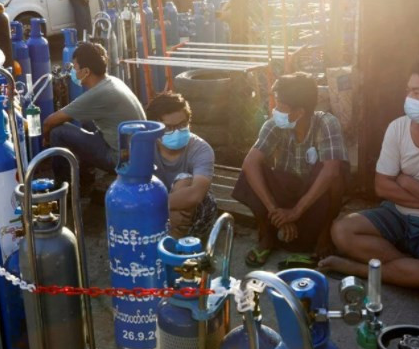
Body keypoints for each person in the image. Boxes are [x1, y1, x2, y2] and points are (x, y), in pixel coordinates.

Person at [319, 59, 419, 289]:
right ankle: (408, 269)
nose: (409, 98)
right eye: (408, 91)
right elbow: (382, 187)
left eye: (418, 92)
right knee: (342, 231)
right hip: (396, 215)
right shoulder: (397, 127)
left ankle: (360, 269)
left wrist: (404, 181)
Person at [232, 72, 349, 267]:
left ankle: (324, 234)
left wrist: (296, 211)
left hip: (314, 197)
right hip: (284, 192)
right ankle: (267, 236)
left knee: (336, 174)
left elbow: (331, 171)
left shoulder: (326, 123)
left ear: (300, 112)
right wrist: (276, 211)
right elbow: (250, 163)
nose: (275, 110)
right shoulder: (275, 124)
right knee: (251, 171)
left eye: (281, 106)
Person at [43, 42, 146, 188]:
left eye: (75, 67)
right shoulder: (112, 81)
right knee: (86, 121)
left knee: (57, 132)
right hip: (138, 152)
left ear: (86, 71)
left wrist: (46, 139)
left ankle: (64, 190)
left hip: (122, 159)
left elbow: (49, 122)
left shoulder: (97, 94)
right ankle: (86, 180)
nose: (72, 71)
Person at [145, 92, 218, 240]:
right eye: (168, 128)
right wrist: (165, 214)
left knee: (184, 180)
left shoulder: (201, 149)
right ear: (154, 128)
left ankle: (176, 245)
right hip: (152, 208)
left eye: (182, 124)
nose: (177, 131)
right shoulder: (143, 146)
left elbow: (195, 194)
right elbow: (129, 185)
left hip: (189, 214)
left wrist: (162, 210)